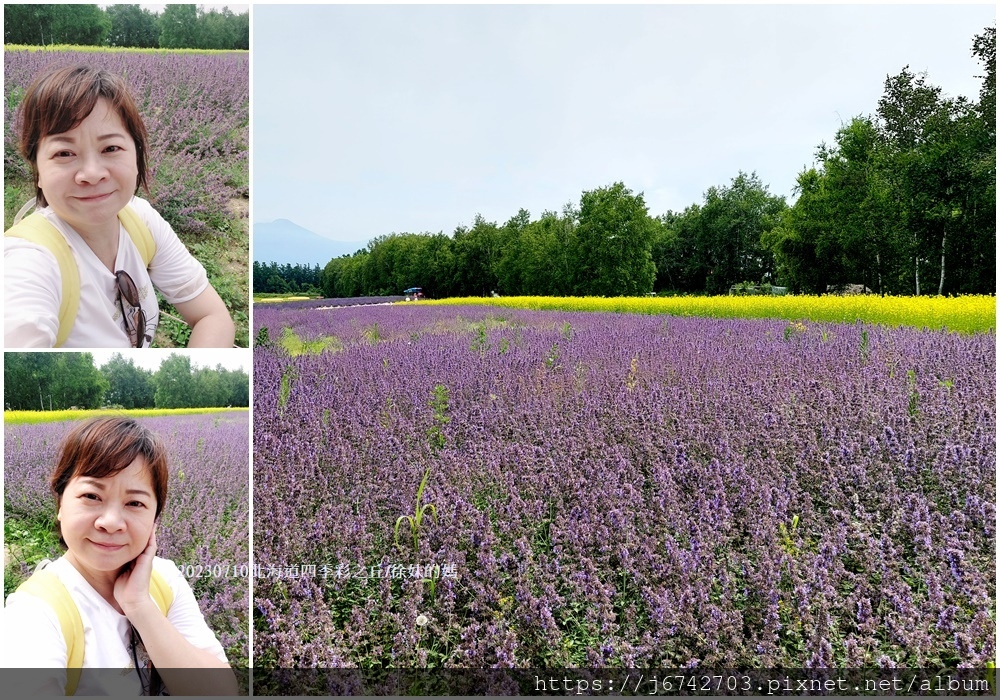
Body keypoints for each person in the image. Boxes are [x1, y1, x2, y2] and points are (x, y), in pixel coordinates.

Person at [2, 418, 239, 696]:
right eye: (91, 495)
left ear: (155, 519)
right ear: (60, 503)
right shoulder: (35, 612)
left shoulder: (164, 579)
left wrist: (140, 605)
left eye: (135, 503)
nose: (111, 522)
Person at [4, 64, 235, 348]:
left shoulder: (139, 219)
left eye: (110, 148)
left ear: (136, 156)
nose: (91, 173)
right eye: (64, 153)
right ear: (37, 169)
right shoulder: (28, 262)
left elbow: (211, 315)